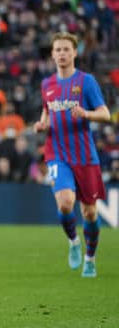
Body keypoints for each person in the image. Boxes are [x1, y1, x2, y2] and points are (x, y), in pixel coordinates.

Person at [33, 31, 111, 278]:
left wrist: (87, 114)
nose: (62, 54)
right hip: (57, 152)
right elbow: (47, 111)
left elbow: (105, 113)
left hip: (85, 156)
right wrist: (42, 123)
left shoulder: (86, 82)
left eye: (67, 49)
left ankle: (90, 257)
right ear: (52, 54)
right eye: (58, 49)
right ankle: (73, 241)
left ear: (75, 53)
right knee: (66, 203)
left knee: (89, 212)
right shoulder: (47, 84)